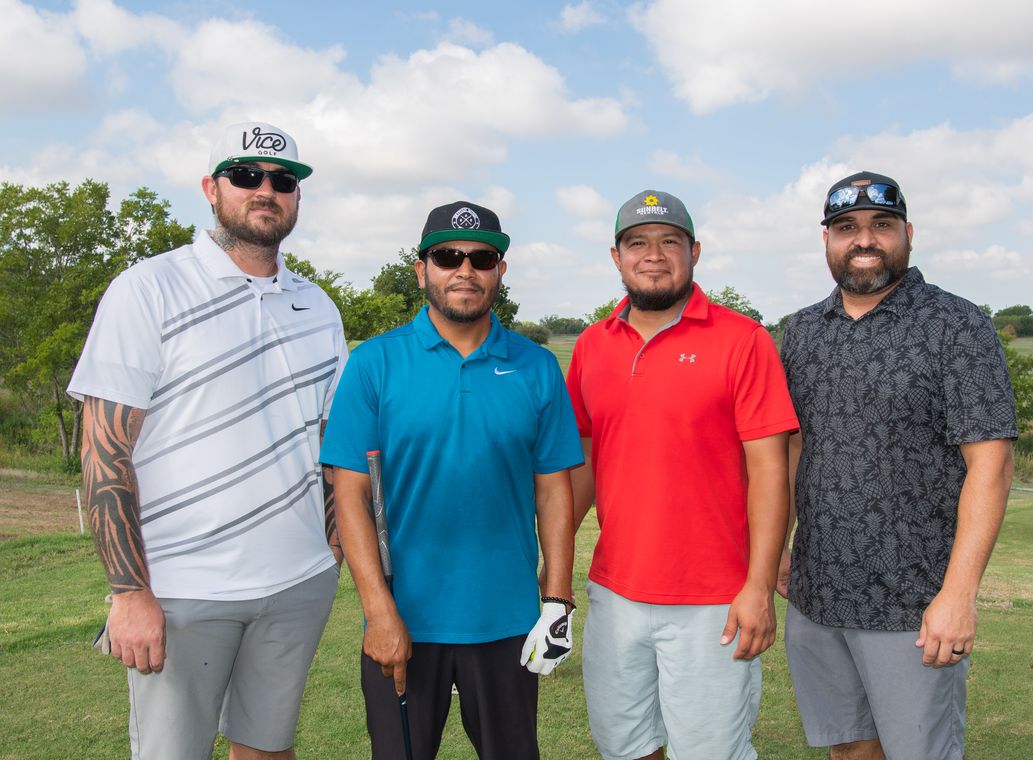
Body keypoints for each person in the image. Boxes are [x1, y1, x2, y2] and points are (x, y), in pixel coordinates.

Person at [68, 122, 347, 760]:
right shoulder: (148, 288)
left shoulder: (318, 306)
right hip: (181, 589)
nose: (266, 190)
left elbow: (330, 441)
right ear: (210, 188)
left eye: (283, 180)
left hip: (298, 581)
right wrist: (130, 592)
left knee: (268, 750)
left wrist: (331, 546)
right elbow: (103, 452)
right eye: (246, 175)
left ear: (297, 197)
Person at [319, 201, 582, 760]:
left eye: (482, 257)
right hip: (404, 619)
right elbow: (351, 493)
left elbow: (553, 487)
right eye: (447, 256)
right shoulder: (374, 364)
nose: (465, 270)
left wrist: (557, 598)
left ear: (499, 272)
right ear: (422, 269)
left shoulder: (535, 366)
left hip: (506, 618)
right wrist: (379, 611)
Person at [778, 171, 1017, 760]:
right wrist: (778, 547)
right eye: (847, 228)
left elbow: (992, 462)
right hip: (817, 594)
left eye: (881, 226)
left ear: (907, 233)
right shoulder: (802, 332)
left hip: (914, 603)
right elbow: (793, 450)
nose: (864, 240)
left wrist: (959, 594)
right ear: (827, 241)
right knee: (849, 751)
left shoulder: (956, 326)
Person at [566, 190, 799, 760]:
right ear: (616, 256)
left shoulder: (742, 339)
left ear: (694, 251)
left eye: (669, 241)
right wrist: (550, 563)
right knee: (626, 747)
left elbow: (771, 469)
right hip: (615, 592)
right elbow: (584, 463)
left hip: (714, 601)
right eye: (637, 243)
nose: (654, 255)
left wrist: (758, 585)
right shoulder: (594, 345)